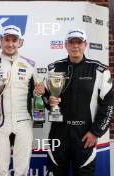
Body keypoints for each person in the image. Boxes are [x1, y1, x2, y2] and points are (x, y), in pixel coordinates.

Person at [45, 29, 114, 176]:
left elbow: (109, 104)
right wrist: (47, 99)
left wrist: (96, 132)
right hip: (58, 134)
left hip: (85, 135)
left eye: (79, 42)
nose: (75, 46)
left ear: (85, 45)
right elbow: (47, 101)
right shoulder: (54, 68)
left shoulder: (99, 70)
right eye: (72, 42)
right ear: (66, 45)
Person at [0, 25, 45, 176]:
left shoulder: (31, 65)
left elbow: (40, 92)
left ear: (20, 42)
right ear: (1, 41)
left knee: (22, 169)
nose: (10, 44)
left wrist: (42, 91)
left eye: (14, 40)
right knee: (1, 169)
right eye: (7, 40)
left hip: (23, 121)